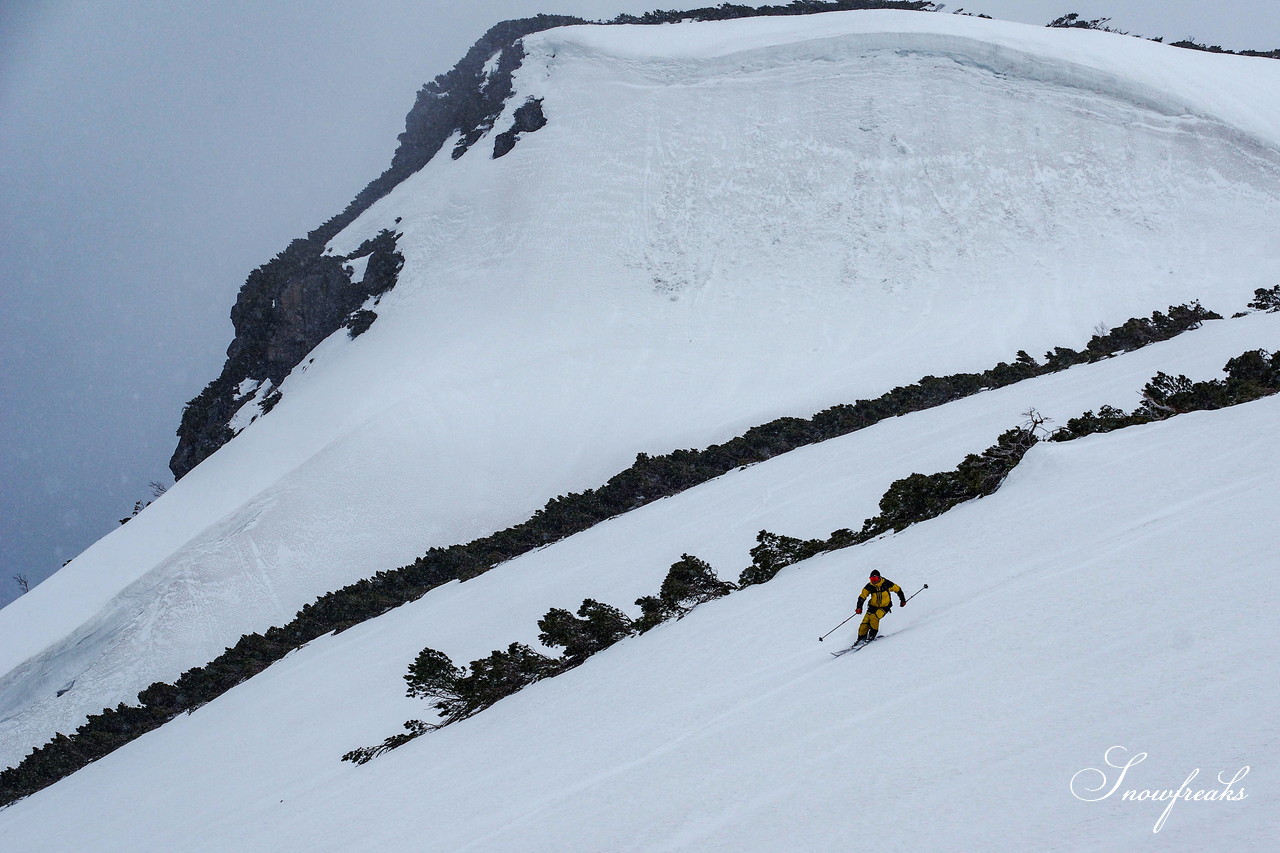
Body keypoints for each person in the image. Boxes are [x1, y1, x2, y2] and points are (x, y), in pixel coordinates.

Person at [854, 570, 906, 644]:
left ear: (879, 577)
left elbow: (898, 589)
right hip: (872, 606)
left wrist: (902, 600)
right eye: (872, 579)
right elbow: (862, 597)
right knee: (865, 622)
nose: (873, 581)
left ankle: (872, 635)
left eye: (875, 579)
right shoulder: (869, 586)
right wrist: (859, 607)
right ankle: (861, 638)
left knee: (874, 617)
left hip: (884, 607)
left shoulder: (886, 583)